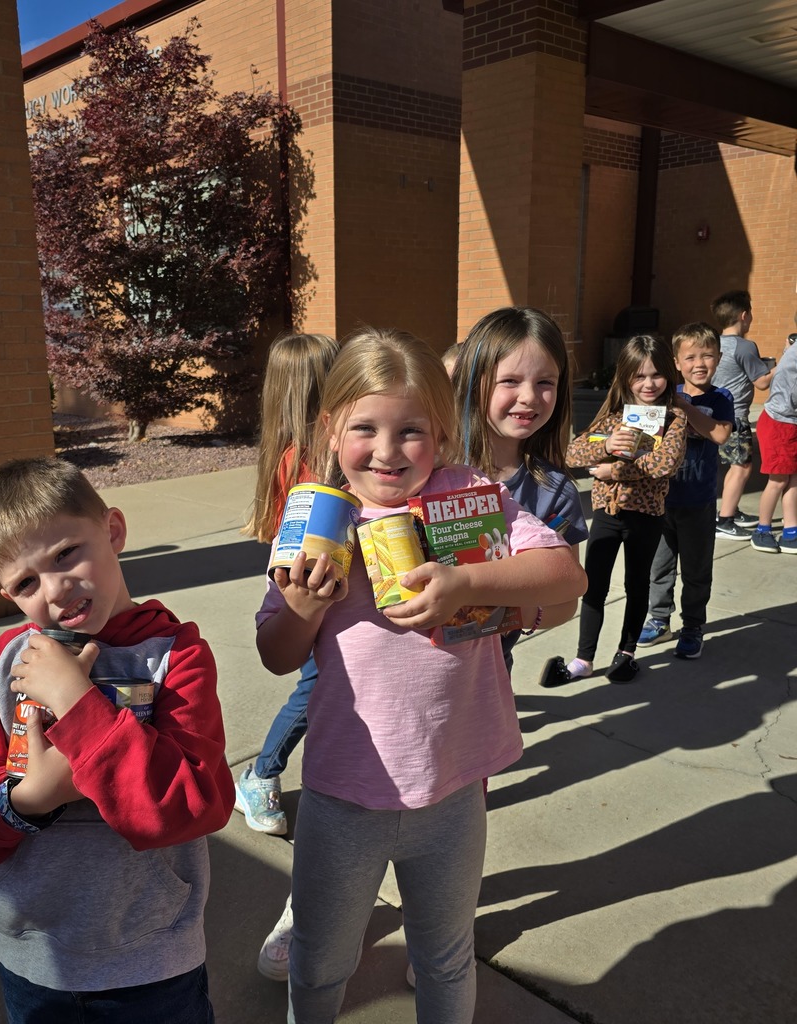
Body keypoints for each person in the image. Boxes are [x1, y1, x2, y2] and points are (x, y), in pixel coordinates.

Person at [255, 328, 585, 1023]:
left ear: (439, 429)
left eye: (411, 431)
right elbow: (277, 654)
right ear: (328, 427)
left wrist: (466, 582)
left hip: (453, 791)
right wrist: (303, 607)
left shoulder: (469, 497)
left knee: (445, 954)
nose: (386, 450)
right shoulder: (317, 519)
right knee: (318, 962)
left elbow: (566, 575)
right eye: (364, 428)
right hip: (345, 795)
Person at [0, 457, 234, 1024]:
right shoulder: (8, 662)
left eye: (66, 553)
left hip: (151, 964)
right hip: (34, 959)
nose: (55, 588)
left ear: (113, 530)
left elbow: (194, 804)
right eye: (26, 583)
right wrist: (29, 799)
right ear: (9, 595)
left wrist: (77, 704)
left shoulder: (177, 657)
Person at [235, 332, 339, 841]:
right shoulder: (308, 457)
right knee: (316, 683)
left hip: (318, 581)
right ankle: (261, 773)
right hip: (304, 584)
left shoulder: (302, 449)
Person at [449, 307, 588, 681]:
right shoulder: (427, 467)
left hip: (488, 672)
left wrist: (498, 610)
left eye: (546, 382)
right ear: (474, 381)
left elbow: (565, 600)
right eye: (509, 380)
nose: (529, 397)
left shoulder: (555, 491)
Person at [547, 334, 688, 685]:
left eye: (656, 374)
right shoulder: (613, 419)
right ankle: (584, 658)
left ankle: (626, 653)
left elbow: (664, 463)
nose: (648, 383)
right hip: (607, 514)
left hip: (647, 516)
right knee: (593, 584)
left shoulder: (674, 419)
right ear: (625, 378)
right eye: (638, 376)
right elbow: (573, 453)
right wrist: (607, 445)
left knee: (637, 583)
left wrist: (616, 470)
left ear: (669, 376)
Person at [637, 323, 734, 659]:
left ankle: (692, 625)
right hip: (660, 500)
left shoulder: (721, 398)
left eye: (707, 355)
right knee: (659, 567)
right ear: (676, 362)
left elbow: (720, 435)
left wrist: (684, 406)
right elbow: (643, 436)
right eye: (690, 356)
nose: (699, 363)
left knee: (695, 570)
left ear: (719, 357)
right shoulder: (663, 392)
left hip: (698, 501)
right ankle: (659, 620)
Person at [710, 290, 774, 540]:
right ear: (744, 315)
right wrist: (780, 365)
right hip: (735, 417)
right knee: (742, 467)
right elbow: (761, 383)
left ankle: (731, 510)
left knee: (730, 466)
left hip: (714, 414)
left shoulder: (713, 342)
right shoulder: (745, 346)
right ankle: (724, 520)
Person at [749, 338, 797, 554]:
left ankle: (790, 532)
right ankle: (762, 530)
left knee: (793, 477)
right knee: (778, 480)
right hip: (780, 423)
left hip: (789, 422)